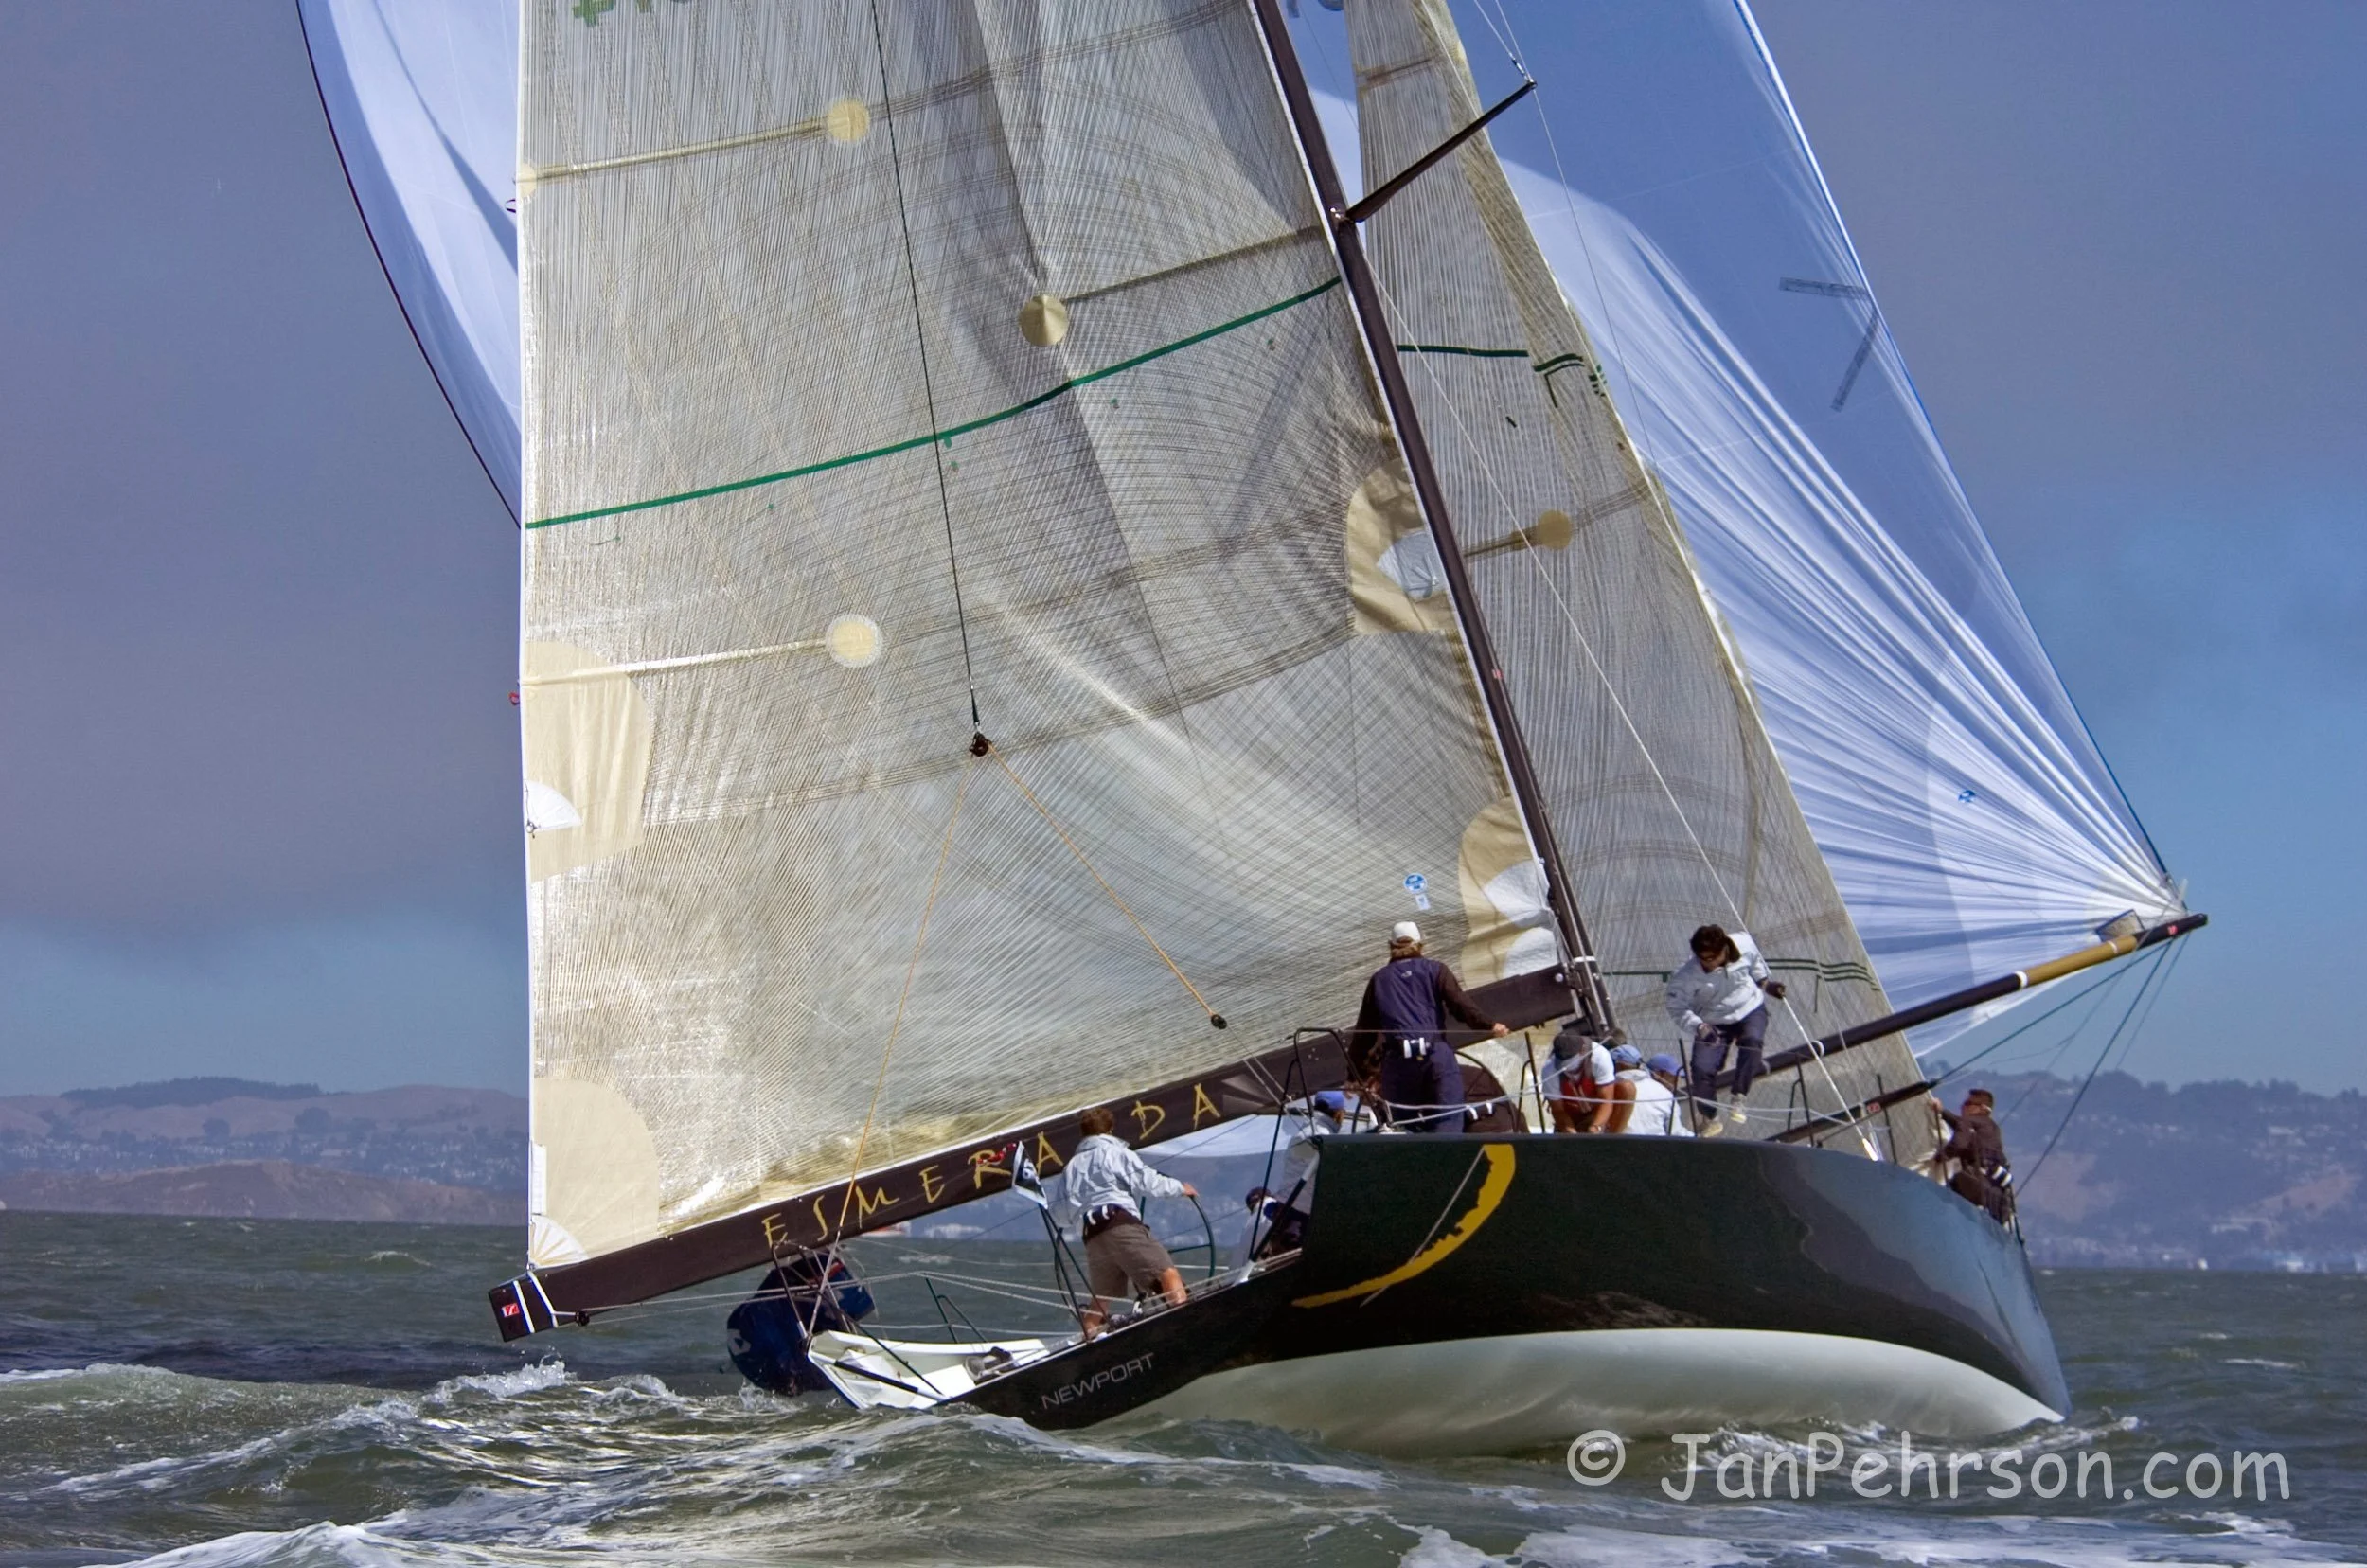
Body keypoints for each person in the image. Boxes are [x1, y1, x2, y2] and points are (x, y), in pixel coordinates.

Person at [1346, 921, 1507, 1133]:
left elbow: (1364, 1033)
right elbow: (1460, 1005)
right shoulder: (1437, 970)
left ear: (1391, 946)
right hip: (1436, 1057)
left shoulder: (1379, 980)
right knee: (1447, 1123)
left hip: (1399, 1065)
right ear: (1421, 945)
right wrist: (1489, 1025)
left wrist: (1353, 1075)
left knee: (1405, 1129)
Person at [1052, 1106, 1198, 1337]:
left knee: (1101, 1300)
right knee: (1167, 1273)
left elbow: (1059, 1215)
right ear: (1110, 1131)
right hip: (1120, 1224)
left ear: (1083, 1135)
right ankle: (1188, 1328)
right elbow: (1148, 1182)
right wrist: (1180, 1188)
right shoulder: (1116, 1153)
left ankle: (1089, 1341)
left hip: (1092, 1236)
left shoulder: (1071, 1168)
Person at [1664, 923, 1786, 1135]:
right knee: (1701, 1068)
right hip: (1713, 1021)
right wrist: (1699, 1027)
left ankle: (1739, 1096)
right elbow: (1676, 1007)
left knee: (1753, 1041)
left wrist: (1765, 983)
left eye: (1710, 958)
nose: (1706, 963)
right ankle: (1709, 1117)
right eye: (1701, 958)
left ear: (1723, 950)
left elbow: (1755, 961)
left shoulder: (1744, 942)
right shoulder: (1686, 976)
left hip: (1749, 1007)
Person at [1937, 1088, 2013, 1223]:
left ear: (1982, 1108)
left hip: (1976, 1183)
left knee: (1945, 1187)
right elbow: (1959, 1122)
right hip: (1998, 1193)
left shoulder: (1969, 1122)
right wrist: (1943, 1112)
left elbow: (1959, 1143)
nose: (1962, 1106)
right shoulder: (1992, 1127)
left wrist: (1939, 1157)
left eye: (1968, 1103)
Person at [1543, 1023, 1623, 1134]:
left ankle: (1615, 1139)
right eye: (1562, 1060)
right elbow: (1558, 1110)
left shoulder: (1599, 1057)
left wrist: (1595, 1127)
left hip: (1596, 1111)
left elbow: (1606, 1100)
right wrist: (1571, 1132)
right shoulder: (1550, 1069)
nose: (1566, 1066)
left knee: (1627, 1088)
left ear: (1582, 1050)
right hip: (1571, 1115)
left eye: (1570, 1060)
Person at [1616, 1053, 1696, 1138]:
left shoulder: (1617, 1086)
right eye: (1672, 1077)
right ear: (1658, 1074)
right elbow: (1676, 1133)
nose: (1676, 1081)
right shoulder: (1665, 1095)